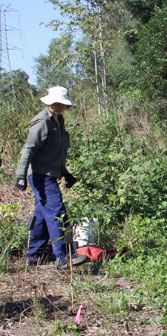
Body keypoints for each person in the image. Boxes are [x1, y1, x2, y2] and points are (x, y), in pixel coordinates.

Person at [14, 86, 87, 271]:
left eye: (64, 105)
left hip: (51, 174)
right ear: (52, 103)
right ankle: (64, 258)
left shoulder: (58, 120)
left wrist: (65, 172)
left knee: (41, 215)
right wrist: (20, 175)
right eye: (60, 104)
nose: (63, 107)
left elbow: (55, 153)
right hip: (40, 176)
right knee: (57, 214)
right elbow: (28, 149)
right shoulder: (42, 122)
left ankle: (34, 255)